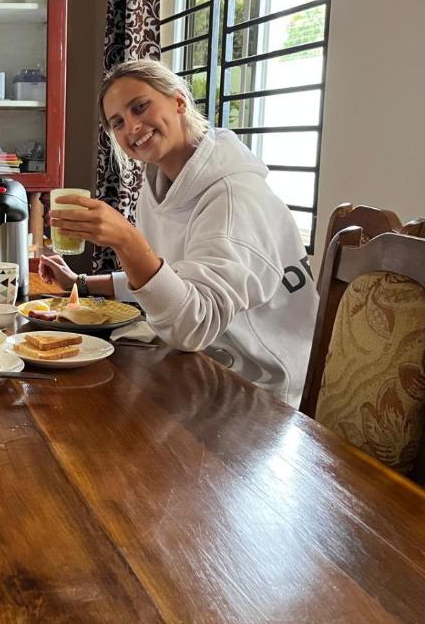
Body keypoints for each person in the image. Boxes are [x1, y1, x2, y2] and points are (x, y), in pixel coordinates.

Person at [40, 59, 317, 407]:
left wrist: (127, 239)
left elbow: (193, 325)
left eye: (140, 107)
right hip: (202, 370)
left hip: (260, 391)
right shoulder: (158, 188)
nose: (132, 127)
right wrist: (79, 283)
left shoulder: (233, 197)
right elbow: (169, 284)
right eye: (118, 123)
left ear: (179, 101)